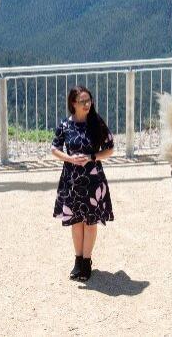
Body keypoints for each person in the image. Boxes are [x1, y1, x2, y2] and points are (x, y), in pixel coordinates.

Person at [50, 85, 115, 282]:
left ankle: (87, 262)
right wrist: (69, 159)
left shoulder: (96, 122)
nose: (87, 104)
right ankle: (78, 261)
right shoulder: (65, 125)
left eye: (89, 100)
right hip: (72, 180)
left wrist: (92, 157)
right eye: (82, 101)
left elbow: (110, 148)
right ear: (73, 104)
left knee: (90, 221)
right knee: (76, 221)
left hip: (93, 179)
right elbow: (54, 148)